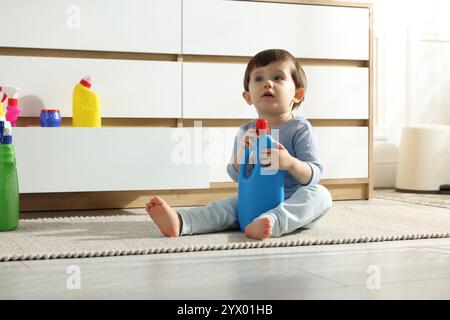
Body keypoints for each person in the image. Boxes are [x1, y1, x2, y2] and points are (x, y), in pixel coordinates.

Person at [146, 48, 332, 240]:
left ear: (298, 94)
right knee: (225, 206)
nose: (268, 83)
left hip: (293, 198)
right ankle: (181, 221)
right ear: (248, 96)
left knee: (321, 195)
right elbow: (236, 175)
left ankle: (272, 222)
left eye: (278, 77)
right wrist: (241, 153)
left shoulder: (299, 128)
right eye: (259, 79)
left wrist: (290, 163)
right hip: (255, 199)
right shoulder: (246, 132)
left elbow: (314, 174)